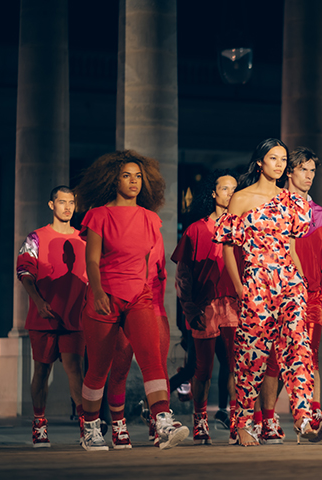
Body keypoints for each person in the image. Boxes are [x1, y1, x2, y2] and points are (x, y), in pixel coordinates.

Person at [215, 138, 322, 446]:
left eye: (283, 159)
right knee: (251, 356)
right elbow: (229, 249)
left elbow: (292, 246)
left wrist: (302, 281)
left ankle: (305, 421)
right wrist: (241, 288)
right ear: (260, 162)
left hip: (290, 283)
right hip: (257, 283)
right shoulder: (241, 199)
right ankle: (242, 424)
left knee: (299, 351)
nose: (280, 164)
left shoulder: (292, 201)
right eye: (274, 158)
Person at [75, 150, 189, 451]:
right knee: (99, 367)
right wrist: (97, 292)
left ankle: (162, 421)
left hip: (139, 297)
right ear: (114, 179)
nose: (134, 181)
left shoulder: (150, 218)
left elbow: (151, 263)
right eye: (127, 175)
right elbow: (92, 261)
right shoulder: (99, 215)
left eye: (138, 176)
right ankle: (90, 427)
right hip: (105, 296)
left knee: (152, 359)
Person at [257, 147, 322, 444]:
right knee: (275, 360)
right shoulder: (273, 205)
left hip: (313, 295)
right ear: (289, 171)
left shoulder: (320, 214)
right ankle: (266, 419)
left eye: (312, 171)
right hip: (279, 291)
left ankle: (312, 414)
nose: (309, 176)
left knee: (310, 357)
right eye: (303, 169)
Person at [171, 169, 240, 445]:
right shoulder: (197, 229)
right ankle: (200, 421)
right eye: (225, 188)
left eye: (235, 189)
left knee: (236, 368)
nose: (231, 193)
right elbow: (183, 273)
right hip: (204, 307)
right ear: (214, 193)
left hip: (234, 306)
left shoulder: (243, 228)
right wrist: (188, 307)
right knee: (202, 369)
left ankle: (237, 420)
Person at [16, 186, 87, 448]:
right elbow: (24, 271)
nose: (67, 207)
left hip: (74, 317)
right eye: (62, 202)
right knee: (42, 371)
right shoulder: (36, 237)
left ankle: (85, 425)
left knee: (75, 371)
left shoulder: (84, 238)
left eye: (71, 202)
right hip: (43, 316)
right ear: (51, 205)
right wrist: (38, 301)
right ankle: (39, 424)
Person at [103, 232, 170, 449]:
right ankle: (118, 424)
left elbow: (161, 273)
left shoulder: (153, 230)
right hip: (123, 304)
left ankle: (160, 421)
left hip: (153, 305)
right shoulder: (112, 229)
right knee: (120, 367)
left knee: (158, 367)